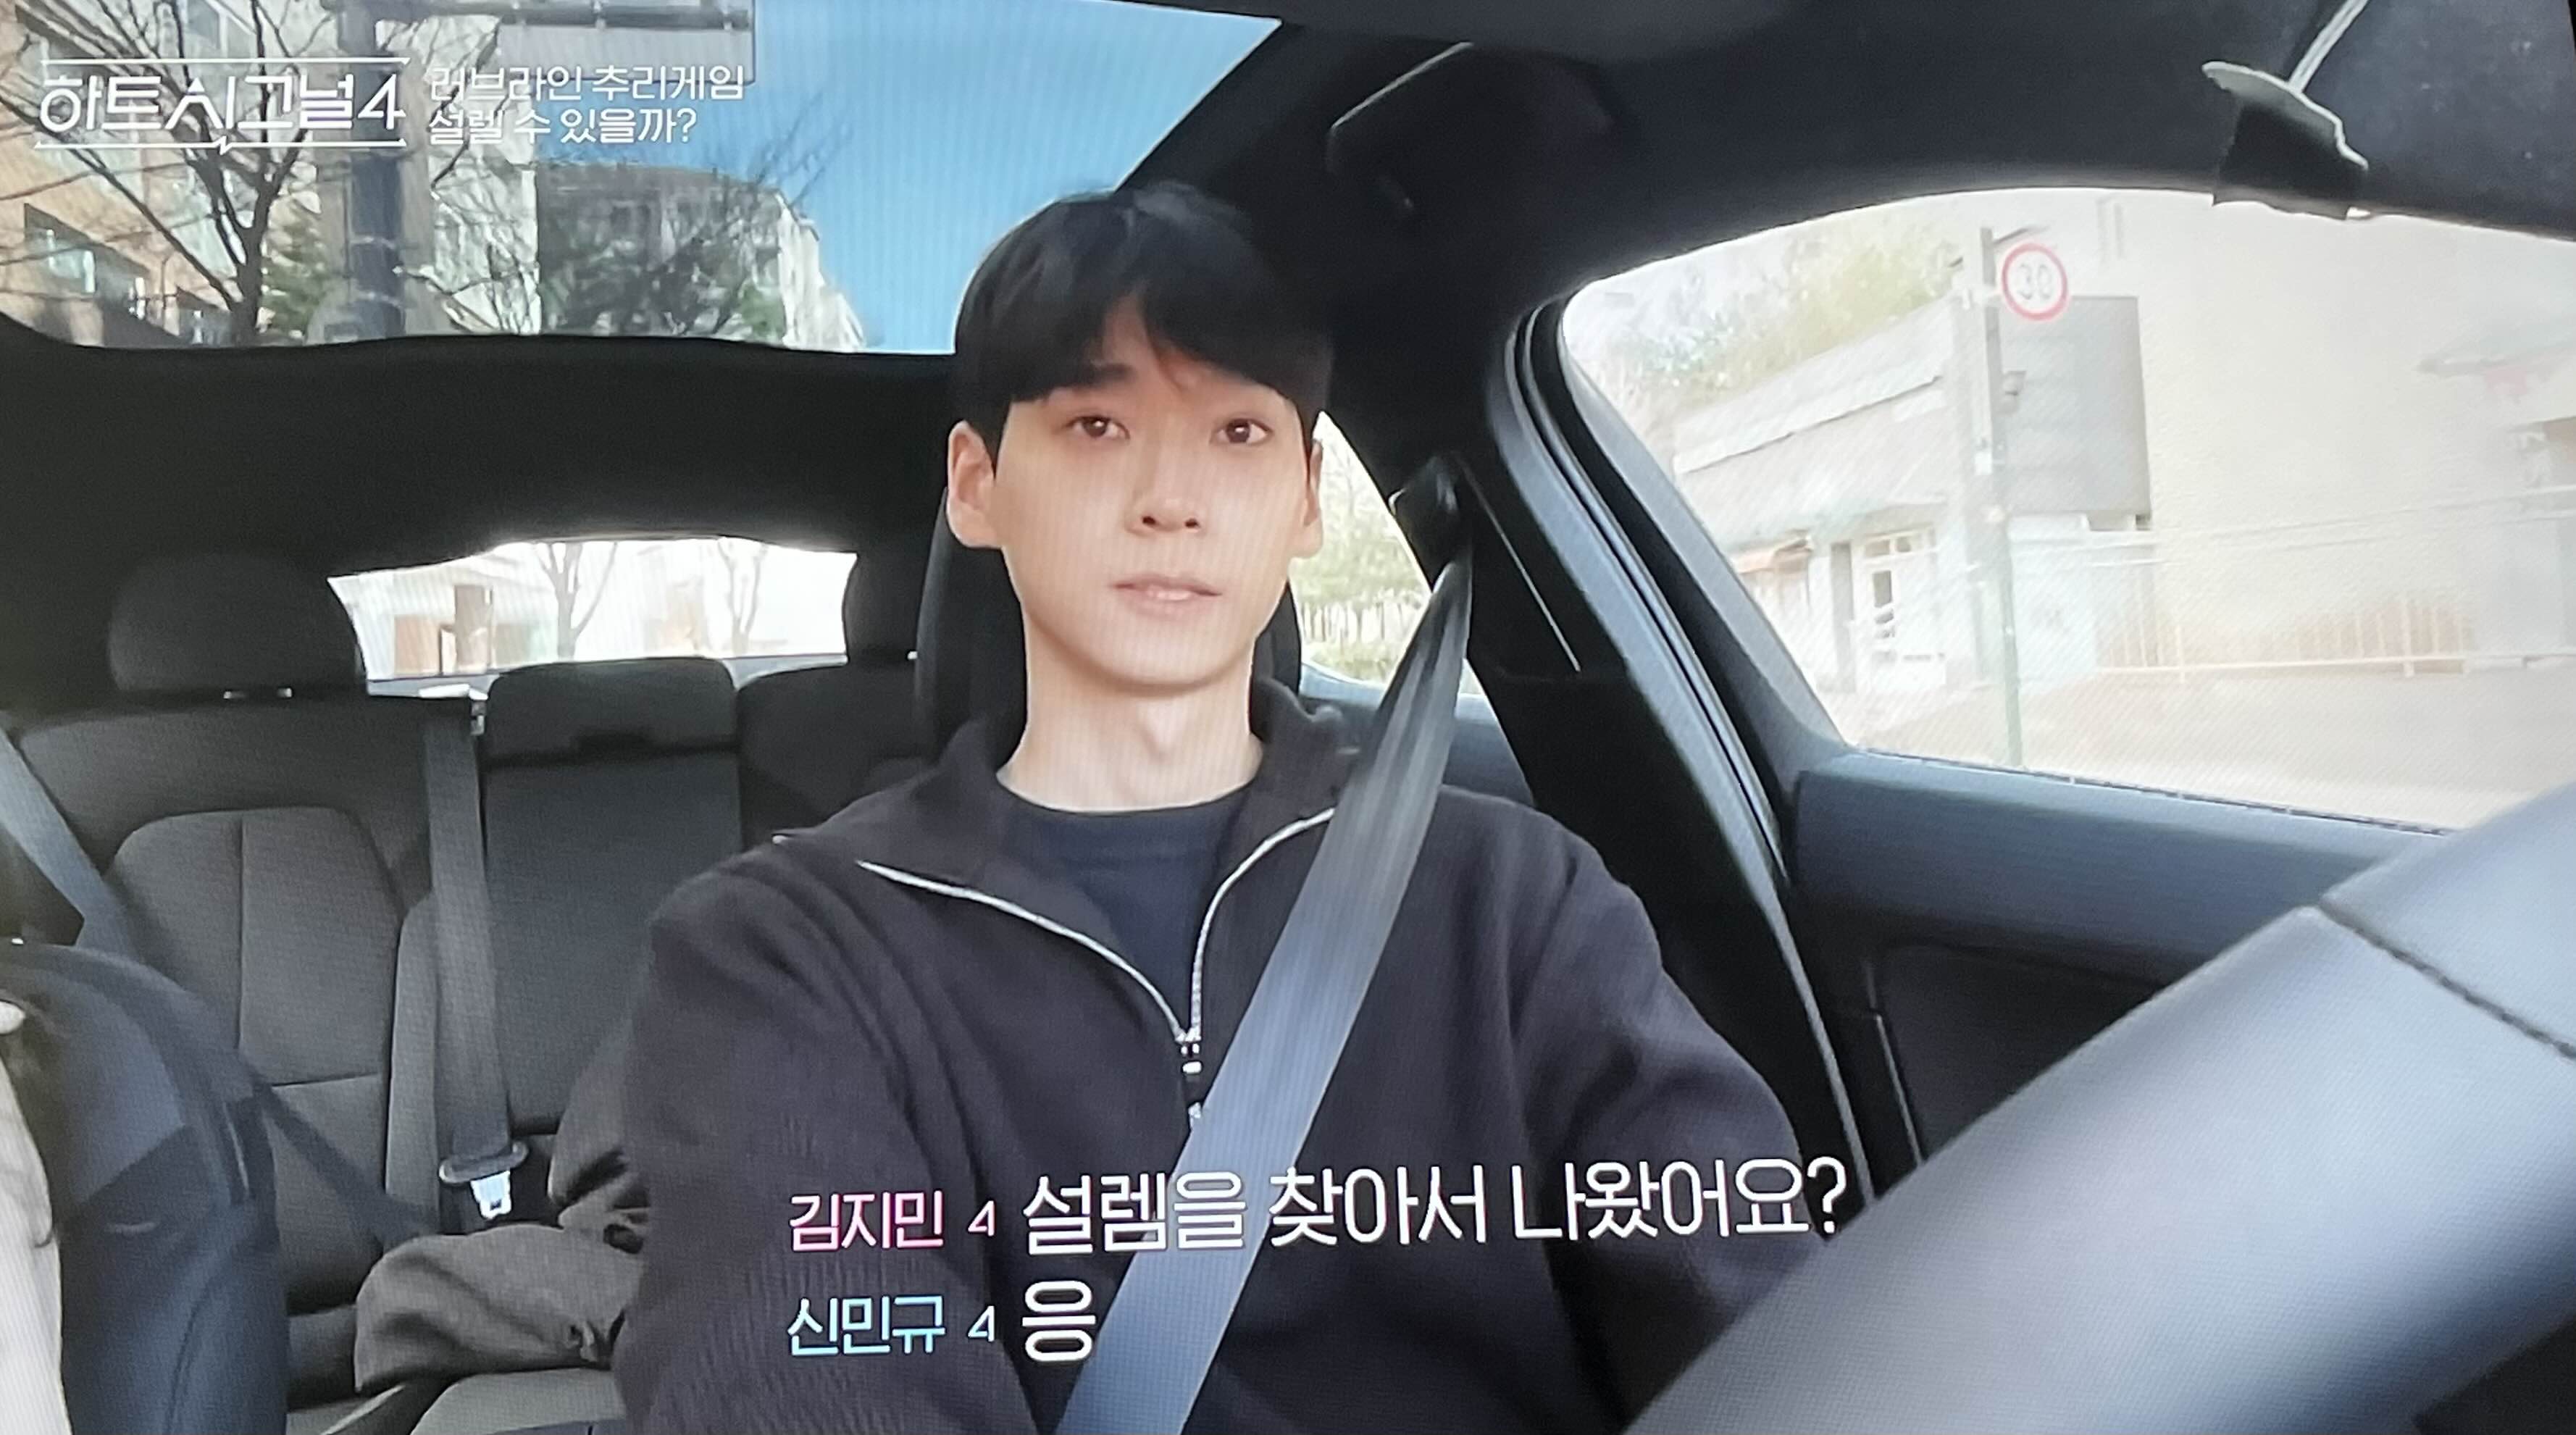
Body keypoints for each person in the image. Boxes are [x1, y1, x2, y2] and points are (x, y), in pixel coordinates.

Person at [616, 181, 1816, 1434]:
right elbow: (810, 1370)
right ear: (976, 485)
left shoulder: (1515, 900)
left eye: (1238, 433)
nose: (1171, 498)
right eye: (1096, 425)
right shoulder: (784, 950)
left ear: (1305, 498)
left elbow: (1770, 1324)